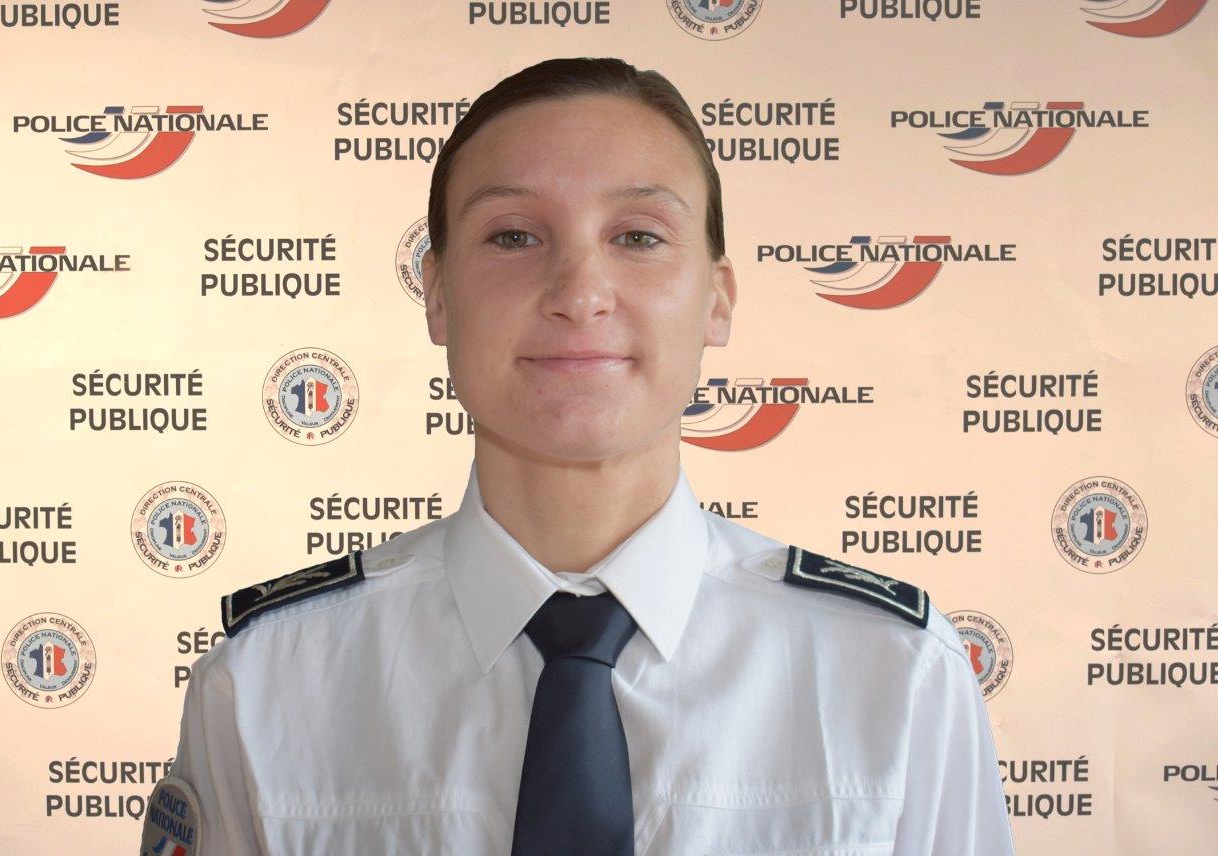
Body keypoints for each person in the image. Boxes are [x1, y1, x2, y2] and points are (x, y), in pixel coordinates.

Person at [140, 57, 1016, 855]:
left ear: (717, 300)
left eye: (638, 236)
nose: (579, 292)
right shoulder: (264, 686)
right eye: (513, 236)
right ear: (438, 296)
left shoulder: (895, 676)